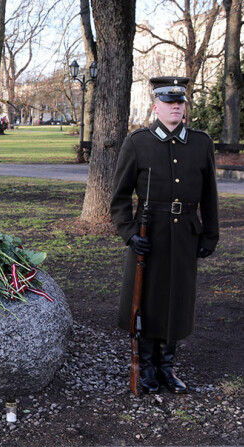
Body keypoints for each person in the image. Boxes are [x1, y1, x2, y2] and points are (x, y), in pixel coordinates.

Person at [111, 76, 219, 394]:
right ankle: (145, 366)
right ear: (155, 105)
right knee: (147, 299)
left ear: (184, 106)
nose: (175, 106)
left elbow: (210, 195)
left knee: (178, 299)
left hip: (185, 232)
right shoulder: (137, 142)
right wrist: (130, 233)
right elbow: (119, 197)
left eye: (180, 102)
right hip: (150, 232)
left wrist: (209, 235)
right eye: (169, 102)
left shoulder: (201, 143)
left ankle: (166, 367)